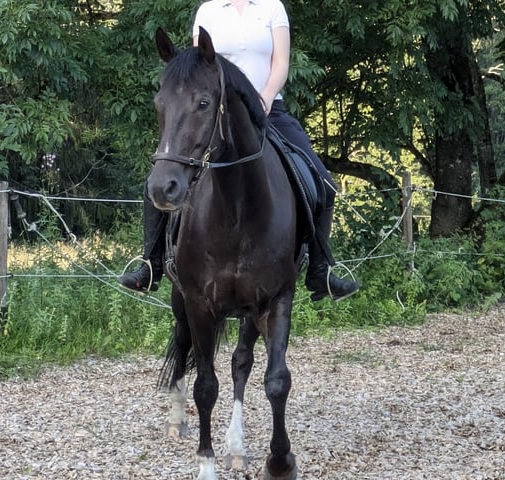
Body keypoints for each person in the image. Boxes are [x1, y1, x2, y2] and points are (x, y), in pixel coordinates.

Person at [119, 0, 359, 302]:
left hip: (268, 110)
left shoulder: (272, 8)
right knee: (164, 175)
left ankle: (320, 269)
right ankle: (151, 264)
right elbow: (197, 69)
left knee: (321, 180)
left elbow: (280, 62)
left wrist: (266, 97)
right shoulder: (208, 11)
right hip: (218, 115)